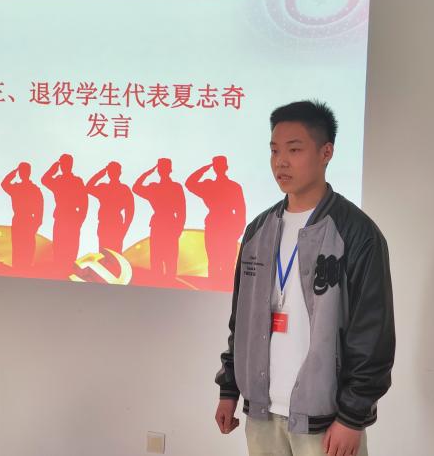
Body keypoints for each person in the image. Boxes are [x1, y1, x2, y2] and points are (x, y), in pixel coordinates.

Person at [214, 100, 395, 456]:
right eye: (274, 150)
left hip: (327, 421)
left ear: (326, 152)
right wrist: (229, 388)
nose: (281, 161)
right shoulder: (259, 230)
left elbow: (372, 333)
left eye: (294, 150)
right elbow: (242, 319)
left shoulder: (357, 233)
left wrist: (352, 417)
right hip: (262, 413)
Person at [185, 156, 246, 287]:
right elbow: (189, 184)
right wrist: (238, 231)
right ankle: (217, 291)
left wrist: (204, 169)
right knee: (216, 262)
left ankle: (221, 292)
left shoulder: (229, 186)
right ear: (226, 167)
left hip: (225, 227)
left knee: (223, 263)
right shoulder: (215, 186)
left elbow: (241, 211)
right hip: (217, 226)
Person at [132, 158, 186, 281]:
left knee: (169, 262)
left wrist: (178, 230)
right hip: (162, 226)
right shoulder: (157, 187)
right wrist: (178, 229)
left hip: (168, 226)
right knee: (158, 261)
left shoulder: (171, 187)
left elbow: (182, 211)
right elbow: (135, 188)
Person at [41, 154, 88, 277]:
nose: (64, 166)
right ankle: (60, 274)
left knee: (71, 249)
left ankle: (69, 274)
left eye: (65, 164)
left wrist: (80, 220)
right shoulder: (59, 181)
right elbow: (44, 180)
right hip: (61, 218)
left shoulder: (75, 181)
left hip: (71, 218)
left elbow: (84, 202)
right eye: (62, 164)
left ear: (70, 165)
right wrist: (53, 169)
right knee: (59, 248)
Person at [1, 162, 44, 270]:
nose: (22, 173)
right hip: (20, 221)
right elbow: (4, 184)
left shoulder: (32, 190)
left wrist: (33, 229)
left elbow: (39, 214)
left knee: (26, 252)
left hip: (26, 222)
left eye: (23, 171)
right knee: (18, 251)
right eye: (21, 171)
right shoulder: (20, 188)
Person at [86, 161, 135, 254]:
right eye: (111, 171)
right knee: (104, 254)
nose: (113, 173)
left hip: (116, 226)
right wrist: (101, 173)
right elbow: (88, 188)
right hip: (105, 225)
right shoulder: (104, 187)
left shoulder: (124, 189)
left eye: (114, 171)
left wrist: (124, 229)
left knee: (115, 255)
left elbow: (130, 211)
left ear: (119, 173)